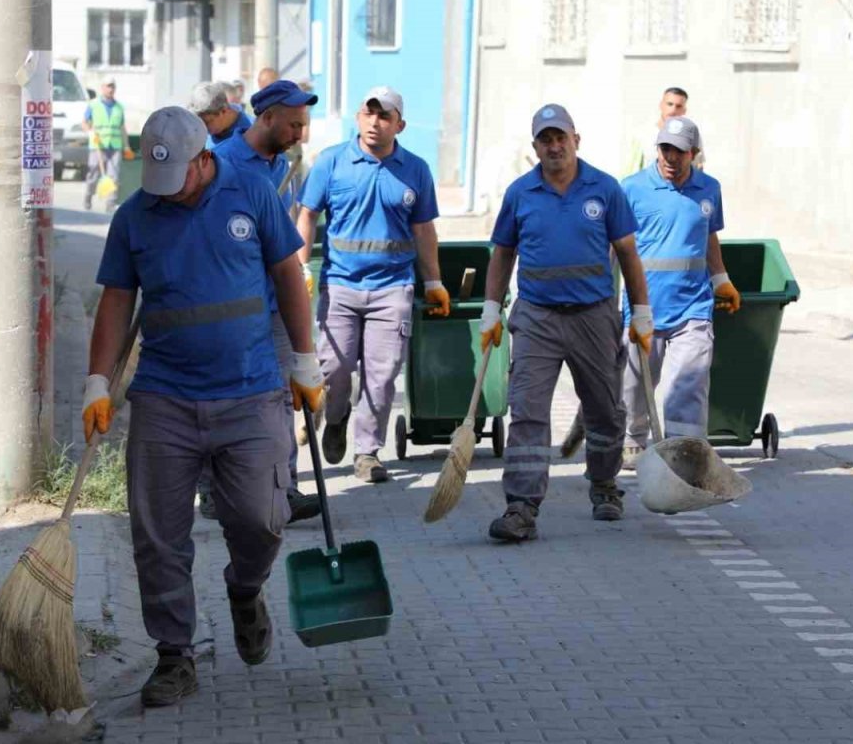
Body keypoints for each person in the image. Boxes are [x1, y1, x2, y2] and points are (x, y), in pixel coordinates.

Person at [82, 106, 323, 706]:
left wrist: (304, 360)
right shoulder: (135, 217)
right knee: (158, 535)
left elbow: (288, 275)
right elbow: (116, 300)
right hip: (164, 396)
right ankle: (173, 656)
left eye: (180, 179)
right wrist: (97, 381)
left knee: (263, 517)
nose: (169, 194)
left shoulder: (253, 195)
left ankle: (245, 588)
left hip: (251, 391)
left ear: (204, 159)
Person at [481, 104, 653, 542]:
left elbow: (629, 253)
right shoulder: (520, 193)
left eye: (561, 138)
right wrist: (490, 308)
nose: (554, 146)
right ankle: (521, 507)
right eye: (545, 139)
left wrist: (642, 312)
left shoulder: (605, 190)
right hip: (536, 317)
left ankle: (604, 483)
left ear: (577, 139)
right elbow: (503, 253)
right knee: (527, 412)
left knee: (605, 410)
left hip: (594, 317)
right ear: (535, 146)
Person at [295, 87, 449, 483]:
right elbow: (307, 214)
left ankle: (367, 452)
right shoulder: (331, 163)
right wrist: (301, 267)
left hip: (392, 287)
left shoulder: (414, 169)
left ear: (400, 124)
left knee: (381, 378)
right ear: (357, 117)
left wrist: (433, 280)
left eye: (384, 117)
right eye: (368, 114)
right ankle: (336, 415)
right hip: (341, 285)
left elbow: (423, 229)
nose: (375, 123)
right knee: (335, 368)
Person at [196, 79, 322, 524]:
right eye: (293, 124)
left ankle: (284, 489)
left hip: (275, 303)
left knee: (283, 396)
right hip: (230, 309)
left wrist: (296, 270)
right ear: (267, 118)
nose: (299, 133)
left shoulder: (281, 167)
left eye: (303, 125)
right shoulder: (223, 164)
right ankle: (212, 491)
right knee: (222, 399)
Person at [619, 116, 740, 462]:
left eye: (679, 152)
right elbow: (615, 245)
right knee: (635, 384)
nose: (671, 158)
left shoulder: (709, 189)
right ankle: (632, 437)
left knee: (688, 383)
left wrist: (721, 279)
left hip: (693, 307)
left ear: (694, 154)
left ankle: (685, 451)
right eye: (665, 149)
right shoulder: (631, 189)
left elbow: (709, 235)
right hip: (644, 306)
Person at [627, 87, 703, 172]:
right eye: (669, 104)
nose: (673, 110)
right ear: (661, 105)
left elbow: (698, 166)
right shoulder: (643, 134)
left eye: (678, 106)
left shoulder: (692, 135)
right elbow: (632, 170)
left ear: (684, 110)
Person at [82, 78, 127, 211]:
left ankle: (110, 204)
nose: (110, 89)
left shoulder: (119, 107)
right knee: (93, 174)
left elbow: (122, 127)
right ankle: (88, 197)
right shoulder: (93, 105)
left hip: (114, 146)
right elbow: (85, 122)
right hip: (97, 146)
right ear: (102, 88)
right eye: (108, 86)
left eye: (113, 86)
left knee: (114, 176)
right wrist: (90, 132)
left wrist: (127, 146)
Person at [190, 81, 252, 149]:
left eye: (206, 122)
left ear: (223, 111)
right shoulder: (201, 132)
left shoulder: (251, 133)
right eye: (199, 122)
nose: (203, 128)